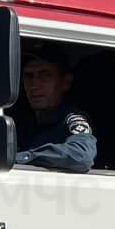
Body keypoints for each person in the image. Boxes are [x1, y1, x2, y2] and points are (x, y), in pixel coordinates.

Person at [13, 44, 96, 173]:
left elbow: (81, 156)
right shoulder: (19, 121)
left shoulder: (71, 118)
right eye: (28, 76)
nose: (34, 85)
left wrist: (24, 157)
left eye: (44, 75)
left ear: (65, 83)